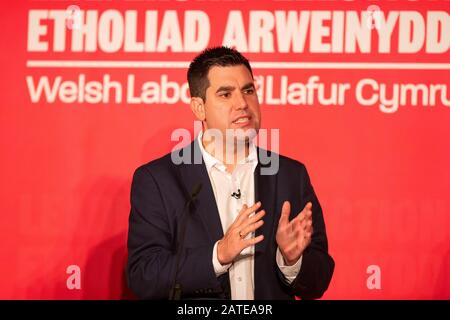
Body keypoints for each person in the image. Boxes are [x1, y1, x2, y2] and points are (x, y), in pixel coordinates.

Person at [126, 46, 334, 300]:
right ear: (198, 108)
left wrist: (292, 260)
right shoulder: (158, 180)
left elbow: (319, 281)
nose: (242, 104)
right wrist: (218, 255)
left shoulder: (291, 175)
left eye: (248, 90)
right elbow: (145, 276)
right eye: (225, 94)